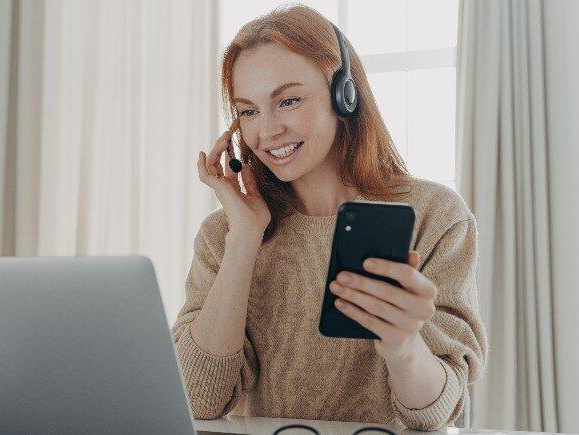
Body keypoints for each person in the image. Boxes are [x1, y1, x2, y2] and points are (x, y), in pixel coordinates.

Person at [170, 4, 488, 431]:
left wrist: (403, 345)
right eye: (248, 111)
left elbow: (434, 412)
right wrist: (244, 238)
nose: (267, 131)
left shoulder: (434, 216)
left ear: (345, 96)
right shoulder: (226, 230)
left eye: (288, 100)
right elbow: (197, 399)